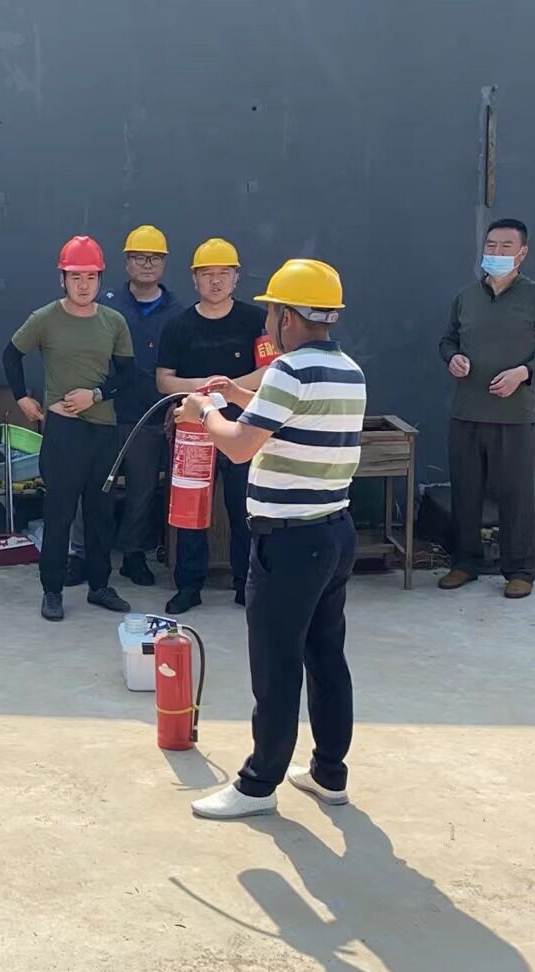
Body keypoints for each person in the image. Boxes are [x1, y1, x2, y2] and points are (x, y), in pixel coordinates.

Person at [184, 259, 365, 820]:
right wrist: (238, 393)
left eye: (270, 313)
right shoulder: (347, 370)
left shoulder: (288, 370)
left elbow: (239, 446)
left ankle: (258, 784)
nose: (266, 324)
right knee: (325, 657)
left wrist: (205, 411)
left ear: (288, 316)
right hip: (333, 532)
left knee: (276, 664)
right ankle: (329, 773)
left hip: (288, 543)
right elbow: (288, 417)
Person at [2, 236, 136, 622]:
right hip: (63, 430)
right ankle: (52, 591)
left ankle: (100, 586)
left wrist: (96, 394)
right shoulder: (45, 318)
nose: (83, 284)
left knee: (100, 513)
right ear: (62, 278)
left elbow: (127, 375)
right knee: (59, 512)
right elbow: (11, 355)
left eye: (91, 277)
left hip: (103, 429)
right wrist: (23, 399)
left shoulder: (113, 321)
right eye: (75, 276)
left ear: (100, 279)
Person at [438, 218, 535, 600]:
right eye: (491, 245)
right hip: (466, 412)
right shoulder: (466, 298)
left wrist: (524, 373)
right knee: (465, 492)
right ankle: (465, 562)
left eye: (505, 246)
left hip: (513, 415)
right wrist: (453, 358)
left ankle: (520, 569)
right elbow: (447, 340)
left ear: (522, 253)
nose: (496, 252)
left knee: (516, 496)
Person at [155, 238, 264, 613]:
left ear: (236, 277)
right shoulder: (178, 326)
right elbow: (164, 380)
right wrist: (204, 387)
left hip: (243, 427)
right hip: (193, 432)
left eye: (223, 273)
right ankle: (189, 585)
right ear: (194, 279)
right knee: (190, 511)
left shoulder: (256, 321)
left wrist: (228, 389)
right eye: (207, 274)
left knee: (245, 509)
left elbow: (268, 371)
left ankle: (246, 584)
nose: (216, 281)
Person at [101, 224, 183, 589]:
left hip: (151, 413)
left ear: (164, 263)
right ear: (127, 262)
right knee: (94, 486)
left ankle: (134, 556)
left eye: (155, 258)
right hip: (105, 411)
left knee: (143, 490)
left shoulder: (178, 312)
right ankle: (86, 554)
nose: (147, 265)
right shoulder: (106, 305)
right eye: (139, 257)